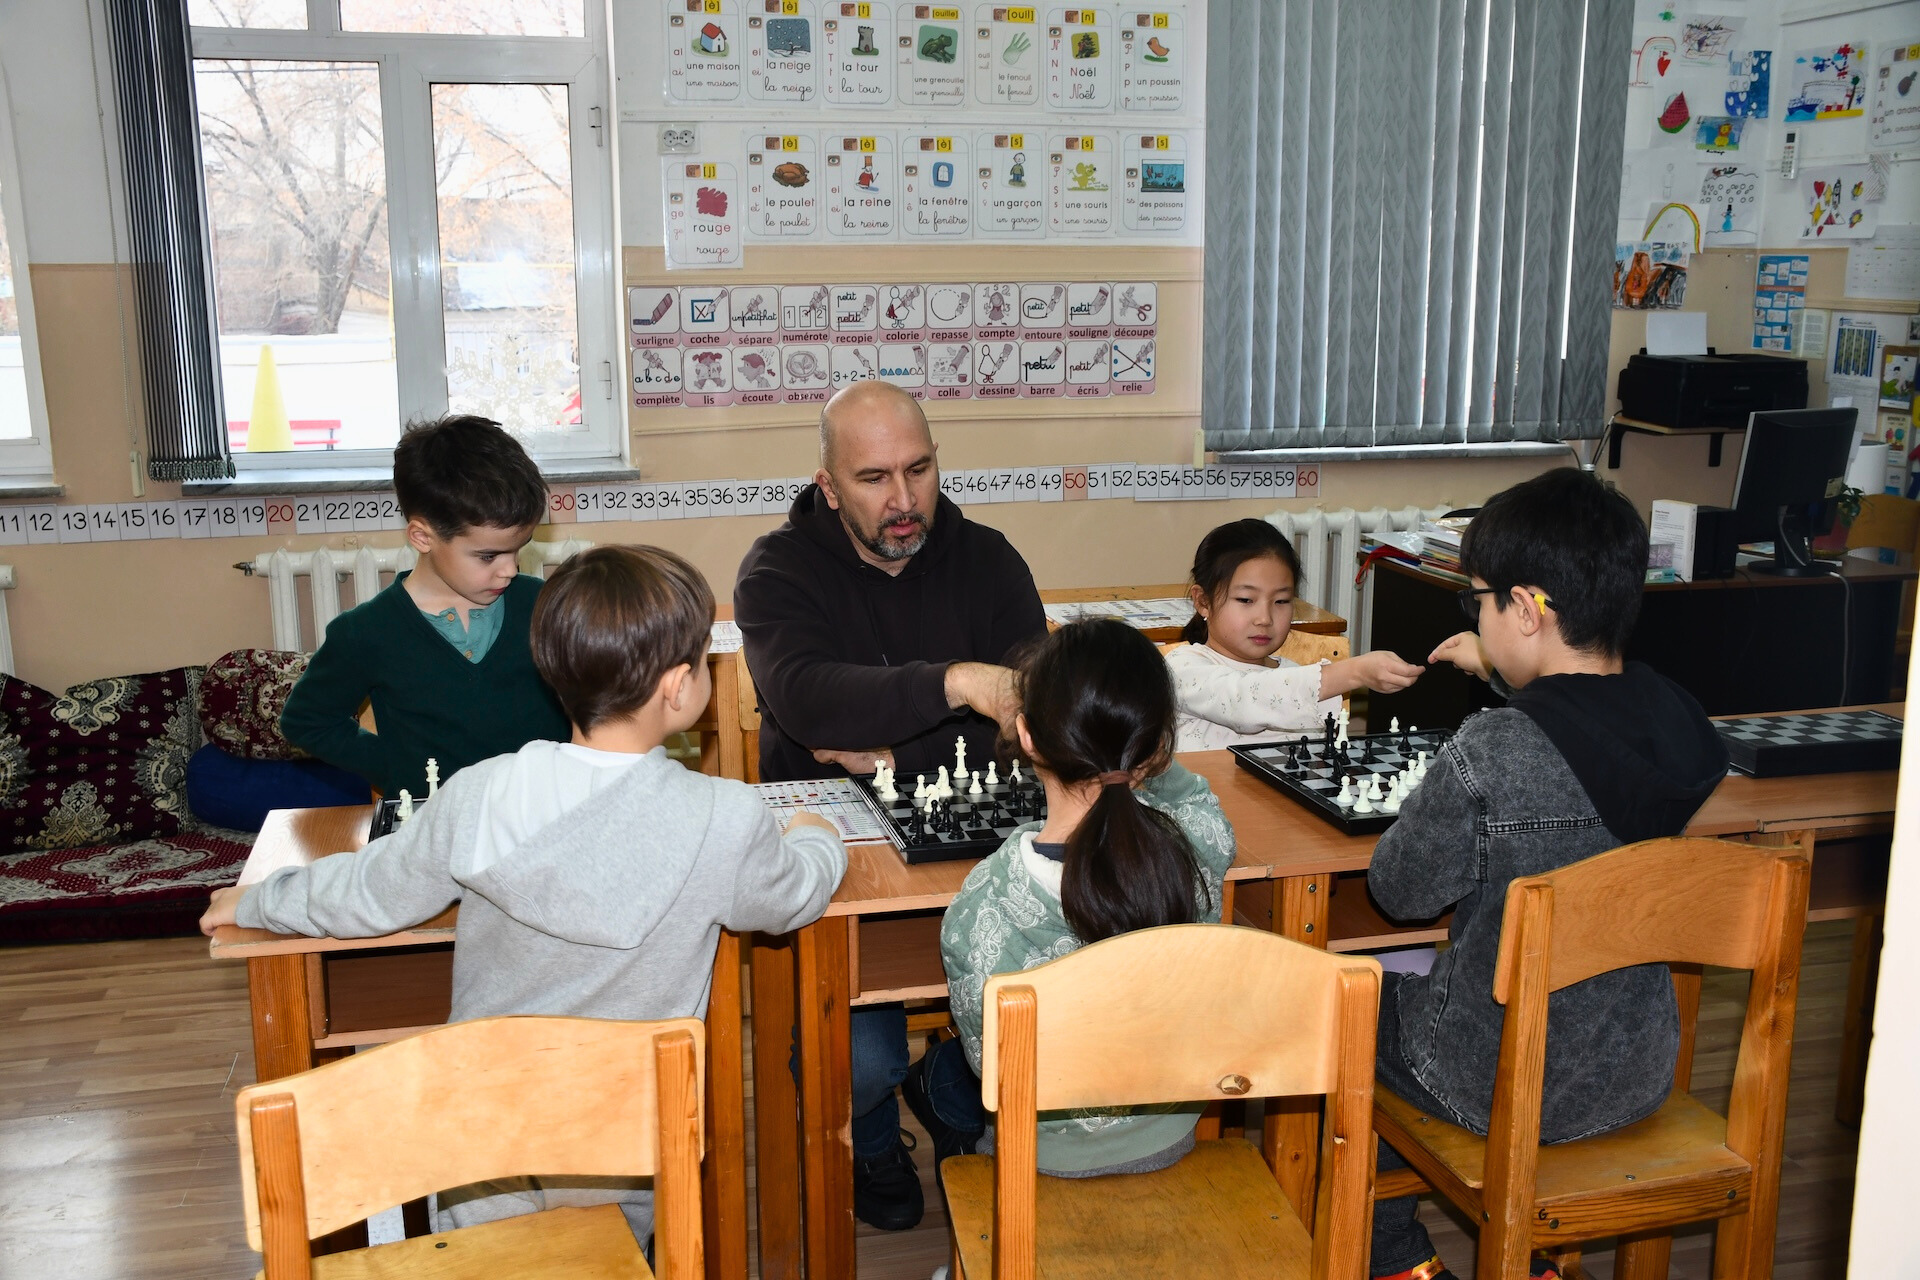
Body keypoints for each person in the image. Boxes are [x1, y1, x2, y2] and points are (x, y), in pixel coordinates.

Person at [202, 545, 848, 1246]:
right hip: (627, 1140)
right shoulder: (724, 818)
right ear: (677, 687)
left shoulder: (480, 792)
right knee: (609, 1256)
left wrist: (260, 900)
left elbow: (370, 892)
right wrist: (819, 837)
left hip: (487, 1131)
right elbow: (794, 897)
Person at [1365, 470, 1729, 1280]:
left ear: (1526, 610)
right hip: (1632, 1072)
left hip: (1489, 1077)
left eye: (1480, 603)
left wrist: (1478, 736)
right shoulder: (1681, 725)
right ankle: (1535, 1263)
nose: (1477, 618)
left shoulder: (1492, 752)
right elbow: (1588, 730)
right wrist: (1503, 673)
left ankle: (1394, 1259)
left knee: (1350, 1013)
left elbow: (1400, 893)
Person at [733, 379, 1047, 1230]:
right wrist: (957, 685)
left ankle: (949, 1088)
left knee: (1045, 1009)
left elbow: (1035, 721)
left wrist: (894, 755)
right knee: (861, 1063)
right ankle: (872, 1134)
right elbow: (811, 704)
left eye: (919, 470)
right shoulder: (776, 571)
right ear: (830, 486)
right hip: (834, 853)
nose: (904, 500)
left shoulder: (990, 560)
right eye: (874, 478)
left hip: (977, 847)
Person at [937, 618, 1235, 1175]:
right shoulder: (1200, 848)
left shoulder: (982, 904)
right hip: (1169, 1134)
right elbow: (1198, 802)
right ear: (1157, 747)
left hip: (1040, 1160)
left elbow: (991, 1071)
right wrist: (1139, 754)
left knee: (947, 1083)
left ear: (1027, 737)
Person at [279, 414, 569, 800]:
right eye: (488, 556)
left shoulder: (545, 605)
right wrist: (397, 768)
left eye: (519, 549)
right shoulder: (365, 632)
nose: (510, 570)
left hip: (542, 815)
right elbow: (306, 721)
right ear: (422, 537)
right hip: (432, 825)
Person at [1164, 518, 1425, 751]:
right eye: (1245, 599)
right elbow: (1243, 700)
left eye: (1281, 601)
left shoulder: (1294, 674)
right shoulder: (1182, 667)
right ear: (1203, 601)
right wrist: (1355, 671)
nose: (1265, 618)